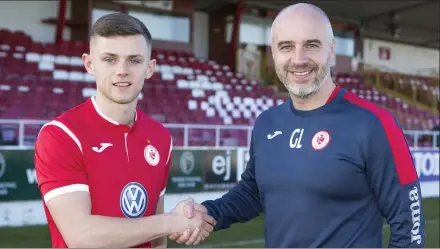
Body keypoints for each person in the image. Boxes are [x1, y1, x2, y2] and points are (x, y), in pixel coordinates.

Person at [169, 3, 425, 247]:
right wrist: (209, 212)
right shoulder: (266, 124)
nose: (298, 59)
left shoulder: (374, 124)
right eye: (286, 46)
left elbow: (409, 225)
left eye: (311, 45)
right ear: (273, 53)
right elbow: (253, 192)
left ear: (332, 49)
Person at [33, 13, 215, 248]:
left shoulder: (160, 137)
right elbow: (81, 236)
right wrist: (171, 222)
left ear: (149, 68)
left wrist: (171, 222)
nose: (122, 70)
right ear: (89, 64)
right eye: (109, 59)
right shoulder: (61, 135)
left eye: (134, 60)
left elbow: (156, 236)